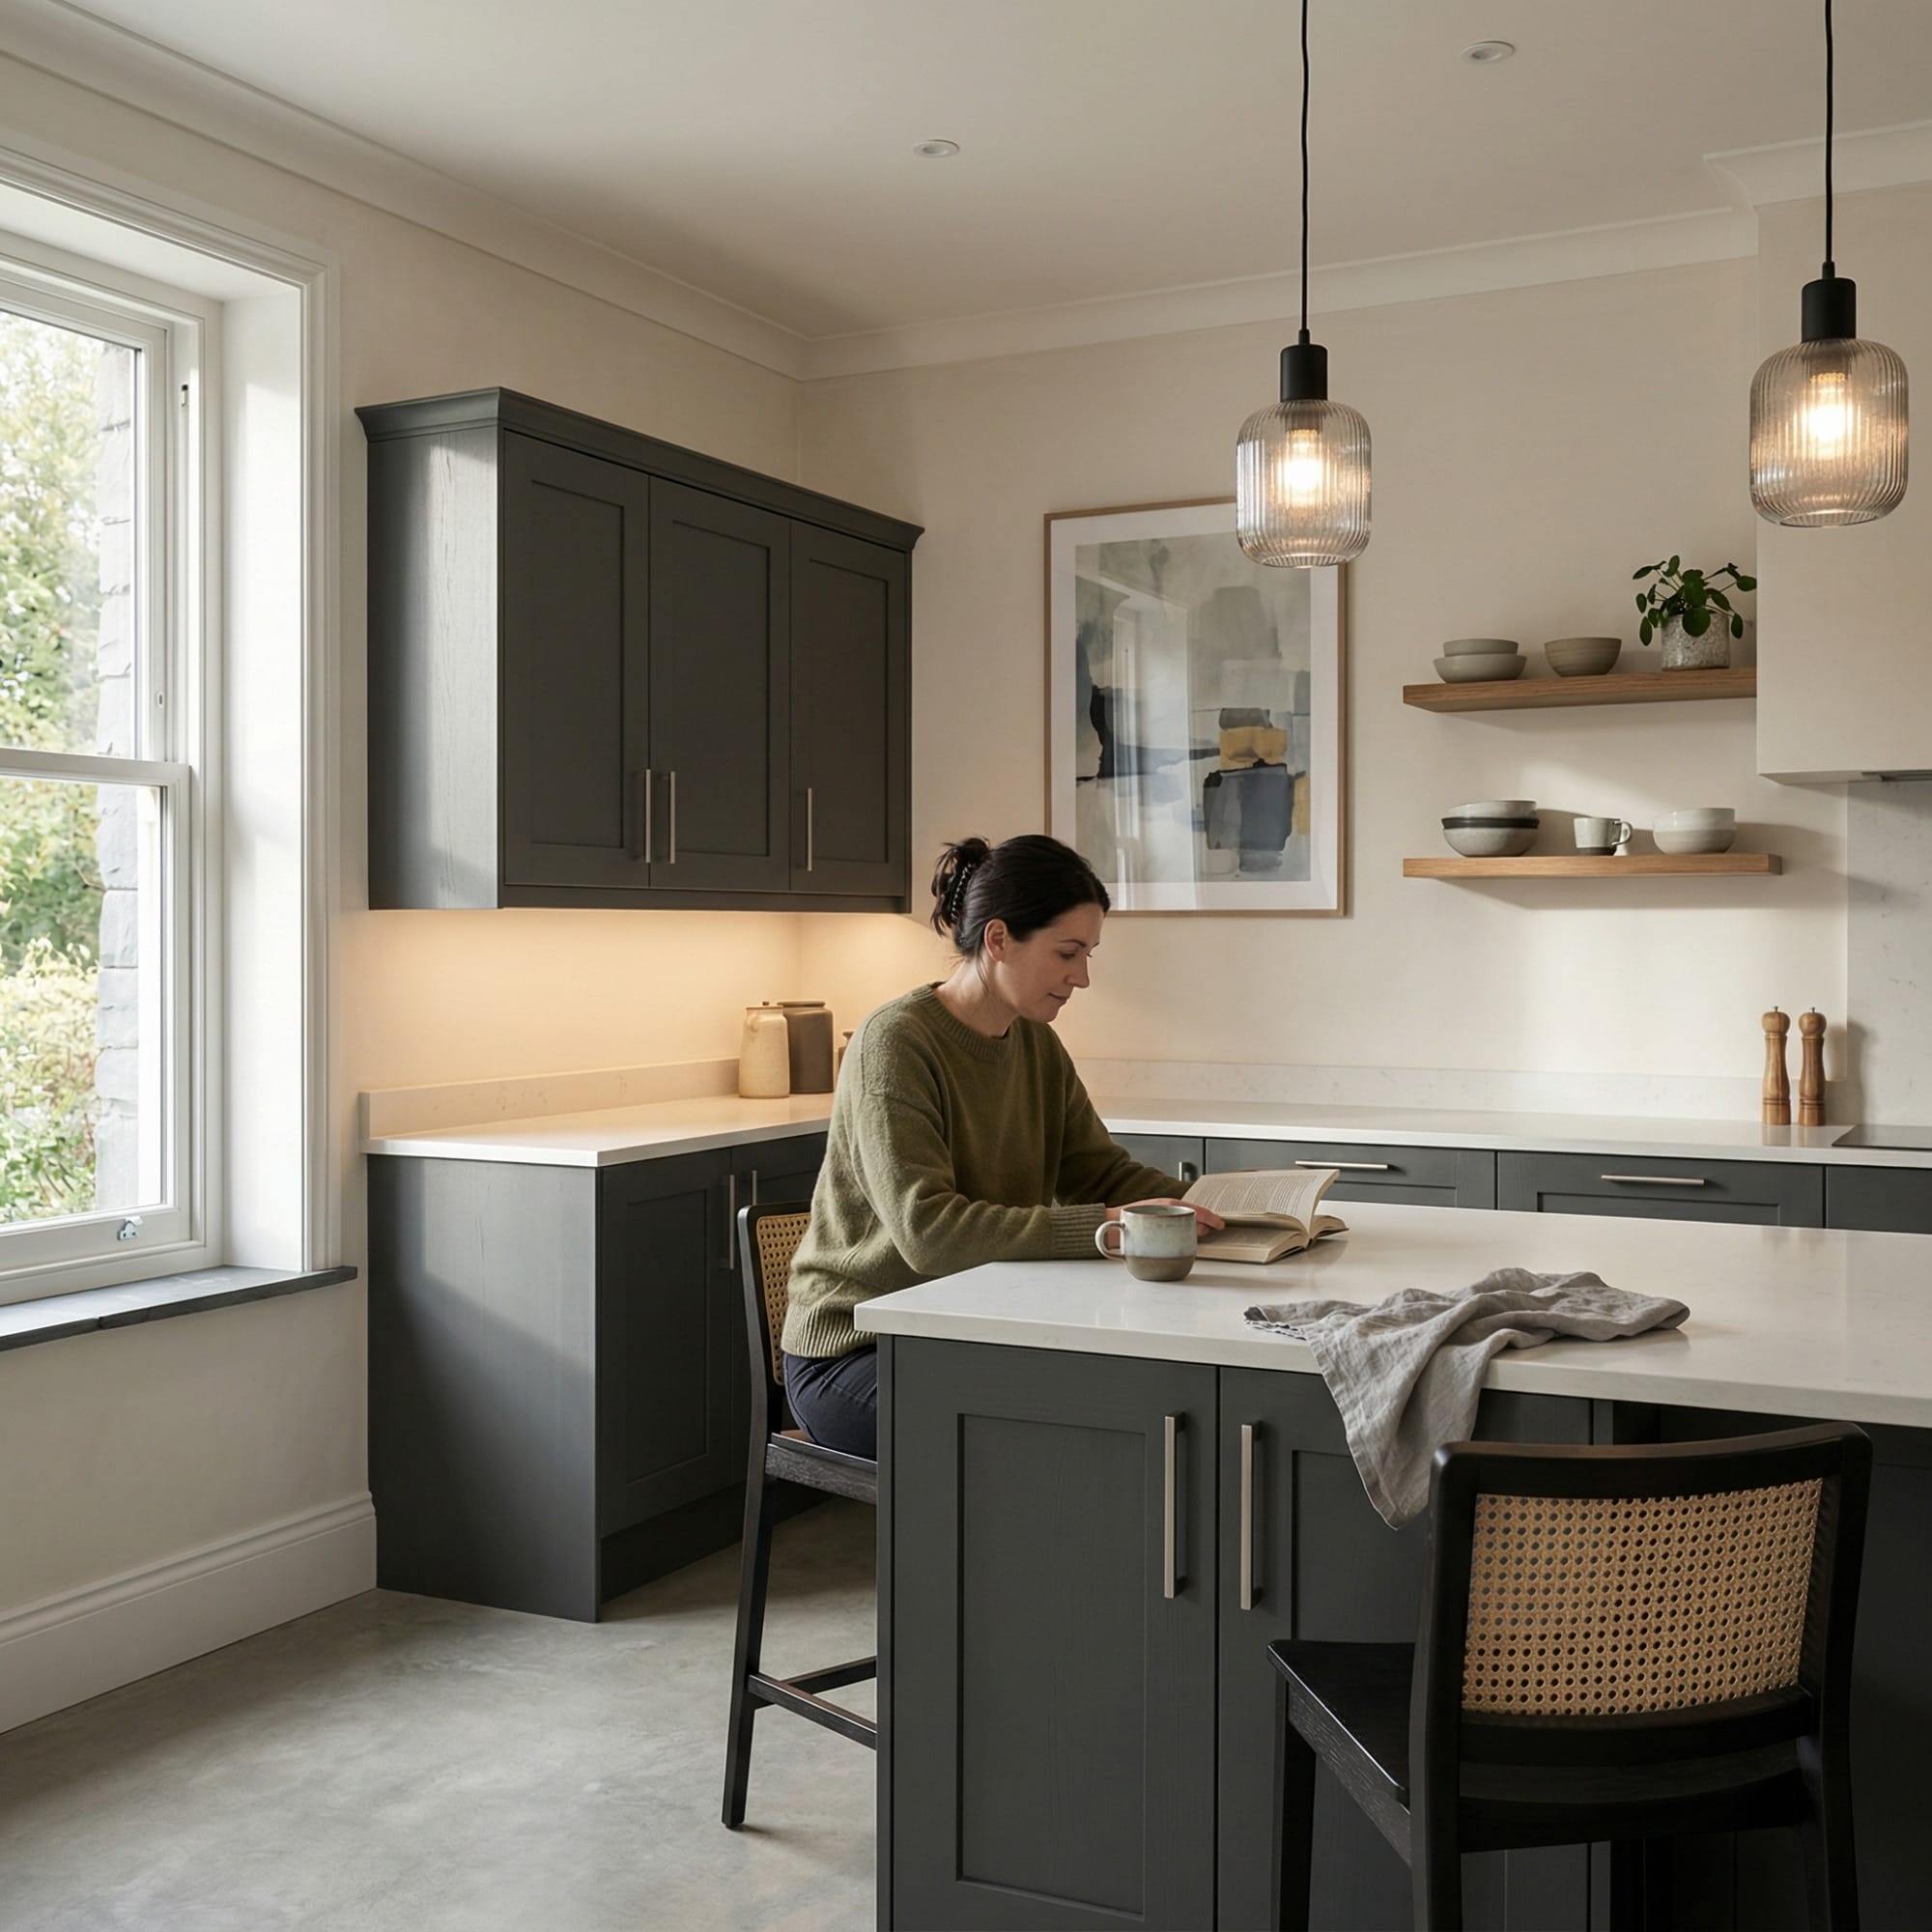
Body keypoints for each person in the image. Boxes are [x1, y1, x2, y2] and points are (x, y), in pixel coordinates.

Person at [779, 833, 1223, 1458]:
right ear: (998, 940)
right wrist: (1104, 1228)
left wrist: (1224, 1207)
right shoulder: (895, 1044)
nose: (1084, 977)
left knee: (1124, 1402)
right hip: (854, 1353)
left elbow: (1099, 1172)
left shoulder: (1035, 1043)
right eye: (1069, 952)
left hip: (965, 1327)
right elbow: (930, 1232)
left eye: (1089, 954)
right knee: (1044, 1433)